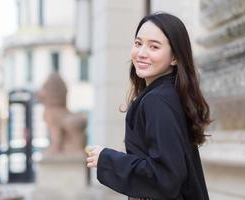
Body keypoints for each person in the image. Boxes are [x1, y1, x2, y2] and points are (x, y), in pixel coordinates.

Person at [86, 12, 211, 200]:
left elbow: (166, 175)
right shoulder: (170, 94)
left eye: (154, 47)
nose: (142, 53)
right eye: (138, 43)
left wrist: (108, 159)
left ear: (175, 57)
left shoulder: (158, 100)